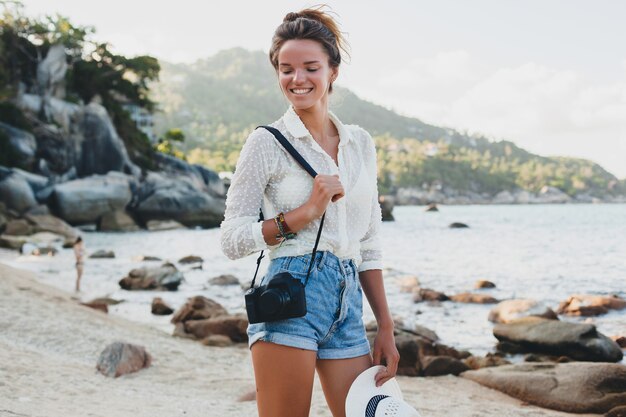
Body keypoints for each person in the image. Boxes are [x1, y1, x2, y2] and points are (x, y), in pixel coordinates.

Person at [220, 7, 399, 417]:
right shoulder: (266, 142)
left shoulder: (360, 145)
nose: (297, 79)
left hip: (347, 301)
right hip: (289, 296)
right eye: (286, 69)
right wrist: (303, 214)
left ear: (332, 71)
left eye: (310, 67)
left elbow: (369, 242)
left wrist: (385, 325)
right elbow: (231, 238)